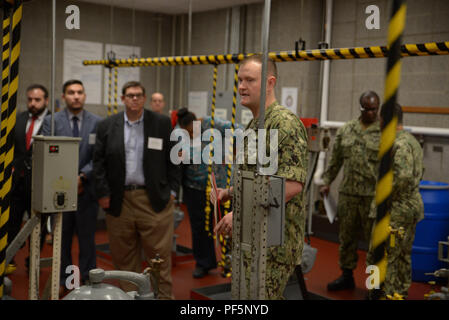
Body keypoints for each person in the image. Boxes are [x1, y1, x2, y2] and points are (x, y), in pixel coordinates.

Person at [213, 55, 309, 299]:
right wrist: (230, 193)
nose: (242, 86)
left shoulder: (285, 124)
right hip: (251, 240)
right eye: (240, 80)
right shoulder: (254, 125)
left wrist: (241, 213)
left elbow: (290, 185)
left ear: (269, 83)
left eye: (250, 80)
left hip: (273, 246)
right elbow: (258, 179)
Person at [93, 81, 180, 299]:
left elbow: (175, 158)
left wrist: (172, 192)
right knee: (124, 261)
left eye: (139, 95)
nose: (134, 99)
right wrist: (103, 194)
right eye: (130, 95)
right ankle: (129, 297)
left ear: (144, 98)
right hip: (119, 200)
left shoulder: (161, 123)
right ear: (122, 98)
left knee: (159, 261)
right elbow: (98, 163)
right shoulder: (107, 126)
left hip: (154, 200)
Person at [42, 79, 101, 294]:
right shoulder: (52, 122)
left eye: (79, 92)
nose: (76, 96)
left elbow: (99, 156)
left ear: (84, 96)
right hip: (60, 192)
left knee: (87, 241)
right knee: (62, 240)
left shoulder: (97, 122)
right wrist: (68, 180)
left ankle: (89, 280)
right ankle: (66, 281)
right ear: (64, 96)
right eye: (71, 92)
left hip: (87, 192)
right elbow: (49, 154)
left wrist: (83, 176)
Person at [319, 91, 381, 291]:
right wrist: (326, 181)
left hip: (373, 196)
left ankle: (374, 284)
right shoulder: (347, 130)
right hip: (348, 195)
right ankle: (346, 276)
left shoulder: (385, 132)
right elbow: (336, 160)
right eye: (368, 109)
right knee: (346, 238)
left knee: (374, 243)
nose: (372, 113)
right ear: (361, 108)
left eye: (375, 109)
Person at [176, 107, 239, 278]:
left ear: (198, 122)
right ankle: (204, 263)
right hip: (194, 187)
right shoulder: (178, 131)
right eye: (187, 133)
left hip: (220, 187)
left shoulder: (212, 123)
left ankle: (231, 262)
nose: (191, 135)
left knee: (228, 225)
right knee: (200, 228)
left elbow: (240, 129)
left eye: (193, 131)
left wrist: (230, 150)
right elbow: (177, 153)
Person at [377, 103, 424, 299]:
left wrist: (383, 193)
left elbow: (402, 178)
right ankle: (400, 292)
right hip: (412, 206)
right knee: (404, 253)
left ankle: (384, 294)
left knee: (387, 254)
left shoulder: (399, 143)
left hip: (398, 209)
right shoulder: (412, 140)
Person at [8, 84, 50, 272]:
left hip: (39, 183)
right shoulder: (18, 119)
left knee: (37, 228)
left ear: (46, 101)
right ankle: (9, 259)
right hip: (17, 183)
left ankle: (32, 262)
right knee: (11, 223)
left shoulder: (53, 122)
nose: (33, 103)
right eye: (30, 99)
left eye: (37, 100)